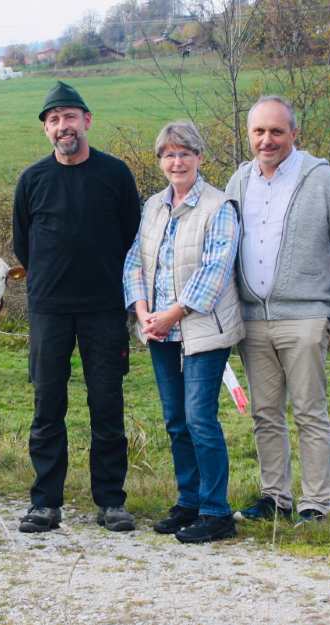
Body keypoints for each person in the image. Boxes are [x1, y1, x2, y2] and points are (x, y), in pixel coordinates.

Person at [225, 96, 330, 524]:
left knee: (309, 412)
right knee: (265, 413)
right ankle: (275, 498)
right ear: (249, 136)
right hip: (253, 319)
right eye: (259, 132)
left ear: (294, 134)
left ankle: (315, 504)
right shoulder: (239, 181)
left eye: (277, 131)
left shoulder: (320, 178)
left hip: (304, 317)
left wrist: (314, 284)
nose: (268, 140)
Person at [12, 81, 141, 533]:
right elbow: (23, 244)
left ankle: (111, 501)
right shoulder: (33, 180)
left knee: (107, 405)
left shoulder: (115, 174)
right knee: (48, 406)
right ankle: (45, 502)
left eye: (69, 116)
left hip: (104, 308)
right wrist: (51, 279)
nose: (62, 126)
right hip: (48, 309)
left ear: (86, 121)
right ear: (46, 130)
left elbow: (131, 235)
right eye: (53, 120)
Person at [123, 121, 243, 544]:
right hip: (160, 331)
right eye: (169, 154)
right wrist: (143, 313)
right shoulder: (154, 205)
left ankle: (216, 511)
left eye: (185, 153)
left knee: (200, 418)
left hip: (204, 330)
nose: (177, 161)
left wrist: (171, 314)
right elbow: (135, 260)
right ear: (160, 161)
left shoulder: (219, 206)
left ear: (199, 158)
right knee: (176, 421)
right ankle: (189, 502)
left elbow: (215, 270)